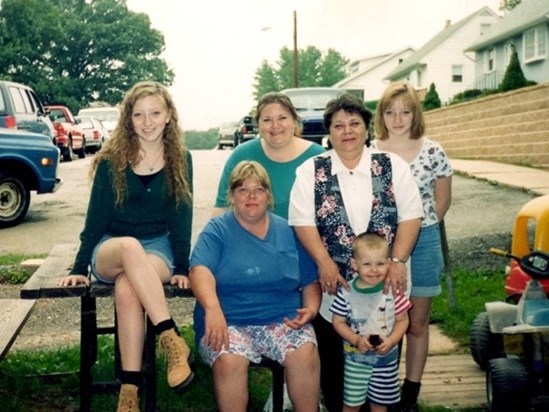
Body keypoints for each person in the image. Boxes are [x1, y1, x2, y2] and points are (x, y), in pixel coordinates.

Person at [57, 81, 194, 412]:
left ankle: (129, 390)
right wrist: (78, 267)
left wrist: (181, 267)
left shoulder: (180, 158)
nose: (147, 121)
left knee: (128, 287)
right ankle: (171, 338)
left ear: (168, 116)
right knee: (130, 248)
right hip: (111, 248)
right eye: (138, 114)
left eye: (155, 113)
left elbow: (181, 216)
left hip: (157, 248)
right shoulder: (111, 159)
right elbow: (95, 219)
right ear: (128, 119)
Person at [288, 92, 424, 412]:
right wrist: (323, 263)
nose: (347, 131)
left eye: (354, 123)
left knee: (381, 369)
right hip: (334, 286)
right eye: (338, 125)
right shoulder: (311, 170)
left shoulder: (392, 165)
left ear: (366, 128)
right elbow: (302, 221)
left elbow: (411, 216)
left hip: (385, 283)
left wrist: (397, 261)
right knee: (337, 374)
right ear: (328, 131)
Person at [190, 161, 321, 412]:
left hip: (282, 320)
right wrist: (213, 309)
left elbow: (309, 281)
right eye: (242, 189)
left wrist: (311, 310)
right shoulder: (217, 230)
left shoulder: (289, 230)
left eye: (259, 189)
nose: (251, 196)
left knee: (305, 354)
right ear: (232, 196)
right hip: (228, 321)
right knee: (229, 361)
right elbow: (199, 270)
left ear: (268, 195)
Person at [372, 82, 452, 412]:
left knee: (416, 323)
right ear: (381, 115)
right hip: (379, 247)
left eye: (405, 111)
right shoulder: (369, 150)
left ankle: (411, 392)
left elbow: (442, 201)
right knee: (386, 321)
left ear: (415, 113)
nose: (398, 118)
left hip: (425, 240)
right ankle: (382, 389)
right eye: (390, 112)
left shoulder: (433, 151)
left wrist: (415, 231)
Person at [331, 232, 412, 412]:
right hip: (356, 360)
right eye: (367, 264)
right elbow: (338, 322)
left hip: (386, 360)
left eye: (380, 264)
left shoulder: (394, 291)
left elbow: (402, 321)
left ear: (388, 263)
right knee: (352, 404)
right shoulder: (346, 291)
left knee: (380, 404)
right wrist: (356, 339)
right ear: (354, 265)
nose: (374, 270)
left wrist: (391, 341)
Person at [213, 92, 325, 219]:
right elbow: (222, 207)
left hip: (307, 238)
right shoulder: (241, 154)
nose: (275, 126)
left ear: (295, 120)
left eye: (282, 118)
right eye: (267, 120)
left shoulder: (318, 156)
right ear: (258, 125)